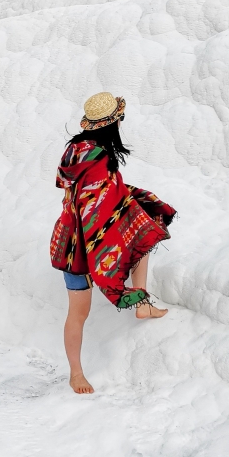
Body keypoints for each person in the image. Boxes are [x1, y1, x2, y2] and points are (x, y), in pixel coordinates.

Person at [50, 92, 176, 394]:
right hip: (81, 247)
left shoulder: (75, 149)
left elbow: (95, 194)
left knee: (141, 233)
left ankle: (142, 305)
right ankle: (76, 374)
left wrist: (128, 199)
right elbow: (97, 204)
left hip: (68, 242)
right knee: (140, 235)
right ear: (113, 123)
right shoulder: (100, 158)